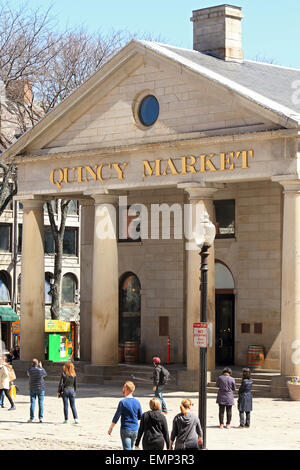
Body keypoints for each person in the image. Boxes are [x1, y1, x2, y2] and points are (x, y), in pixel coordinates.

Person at [108, 381, 142, 450]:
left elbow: (116, 417)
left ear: (126, 389)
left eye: (124, 387)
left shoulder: (123, 402)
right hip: (135, 429)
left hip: (125, 428)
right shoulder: (137, 402)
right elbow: (140, 416)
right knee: (131, 448)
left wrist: (111, 428)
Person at [27, 358, 47, 423]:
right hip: (41, 388)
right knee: (40, 403)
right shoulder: (41, 370)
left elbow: (28, 375)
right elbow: (45, 374)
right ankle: (41, 418)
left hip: (32, 387)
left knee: (32, 402)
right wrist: (41, 367)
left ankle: (31, 417)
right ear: (38, 363)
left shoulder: (29, 370)